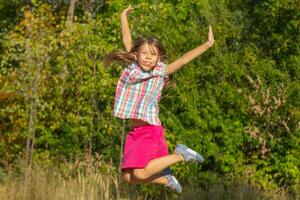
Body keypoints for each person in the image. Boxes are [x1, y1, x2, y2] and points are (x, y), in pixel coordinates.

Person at [105, 5, 214, 193]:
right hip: (135, 131)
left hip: (149, 130)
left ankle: (181, 155)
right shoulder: (132, 67)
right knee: (127, 177)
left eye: (153, 55)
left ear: (159, 58)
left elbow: (184, 60)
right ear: (136, 54)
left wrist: (207, 44)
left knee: (139, 174)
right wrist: (122, 16)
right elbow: (126, 38)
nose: (148, 58)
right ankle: (166, 179)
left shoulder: (160, 72)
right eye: (144, 53)